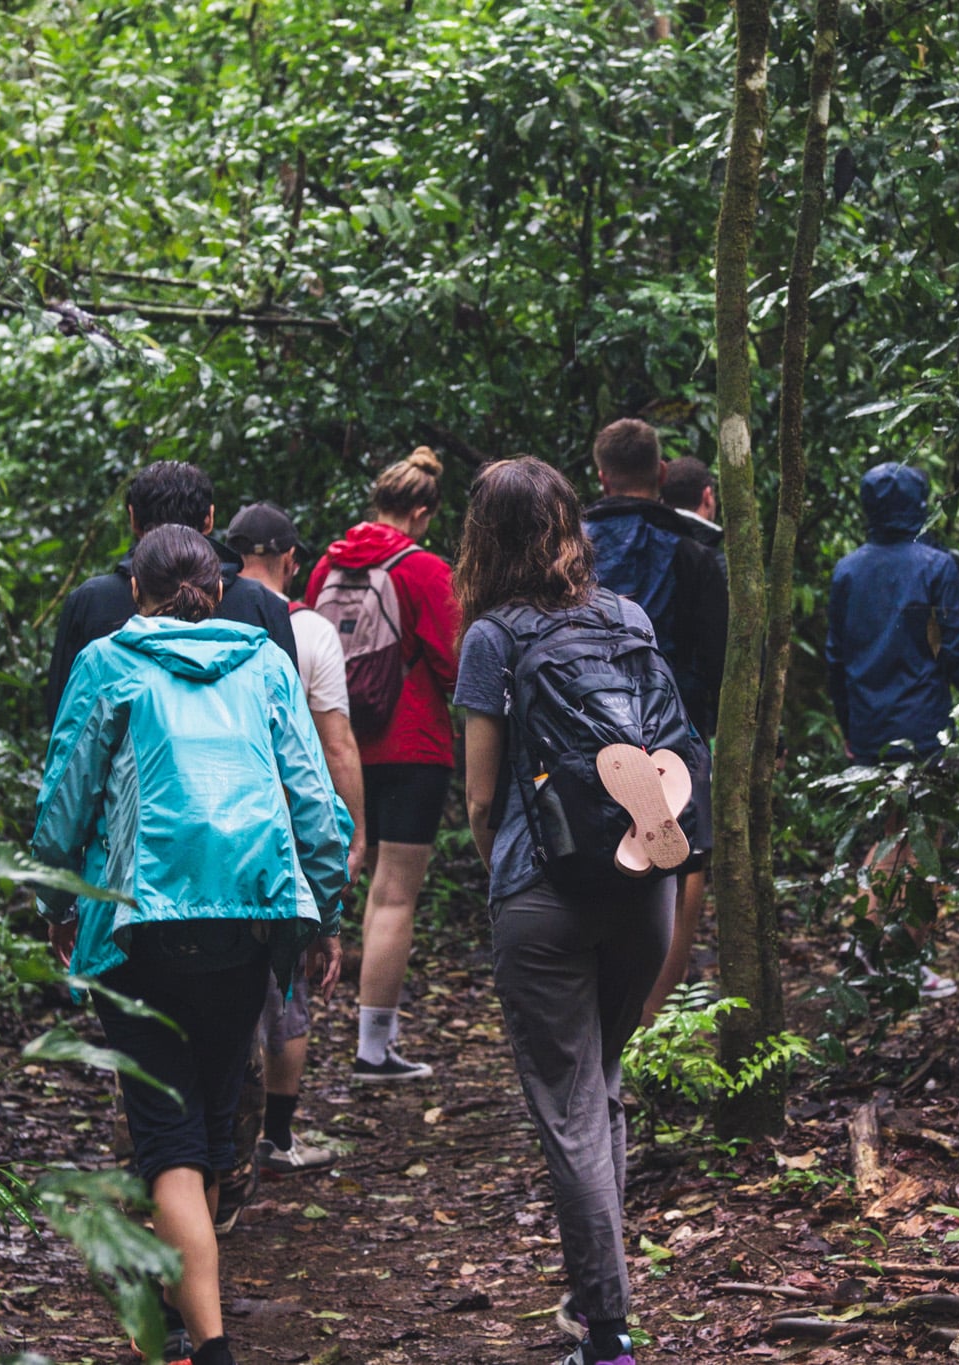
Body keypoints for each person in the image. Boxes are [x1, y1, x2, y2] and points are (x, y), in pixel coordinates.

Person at [34, 525, 351, 1365]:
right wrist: (324, 914)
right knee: (207, 1125)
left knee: (170, 1140)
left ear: (136, 590)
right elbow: (312, 804)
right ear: (217, 587)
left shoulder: (109, 662)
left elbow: (65, 796)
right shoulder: (265, 663)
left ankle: (203, 1344)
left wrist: (53, 896)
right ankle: (180, 1321)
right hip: (246, 923)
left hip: (140, 925)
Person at [454, 457, 670, 1365]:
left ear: (483, 536)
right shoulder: (629, 617)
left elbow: (477, 799)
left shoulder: (491, 638)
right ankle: (597, 1313)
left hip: (541, 894)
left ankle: (609, 1330)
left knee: (572, 1107)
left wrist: (506, 868)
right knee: (602, 1086)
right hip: (642, 882)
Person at [304, 448, 460, 1084]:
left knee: (334, 881)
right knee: (393, 896)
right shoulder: (424, 569)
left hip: (335, 747)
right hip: (413, 746)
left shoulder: (323, 568)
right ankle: (373, 1048)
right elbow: (455, 665)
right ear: (421, 512)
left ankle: (292, 1033)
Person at [226, 501, 370, 1173]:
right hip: (288, 821)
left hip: (219, 819)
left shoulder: (203, 615)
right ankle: (276, 1136)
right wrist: (351, 831)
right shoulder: (307, 631)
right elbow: (336, 746)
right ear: (292, 560)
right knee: (288, 979)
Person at [825, 462, 959, 1000]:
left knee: (893, 832)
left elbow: (835, 657)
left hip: (870, 723)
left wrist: (849, 726)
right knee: (919, 842)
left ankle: (866, 941)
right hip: (921, 725)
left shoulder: (848, 570)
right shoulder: (934, 566)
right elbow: (958, 646)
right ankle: (897, 956)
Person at [583, 419, 726, 1028]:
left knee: (595, 857)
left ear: (600, 474)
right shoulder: (694, 549)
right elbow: (717, 652)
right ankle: (646, 1020)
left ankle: (608, 1019)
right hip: (675, 733)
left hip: (580, 735)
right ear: (662, 474)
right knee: (681, 861)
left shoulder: (568, 546)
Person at [43, 461, 297, 724]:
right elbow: (289, 721)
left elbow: (65, 721)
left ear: (133, 518)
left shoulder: (92, 601)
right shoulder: (260, 603)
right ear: (209, 518)